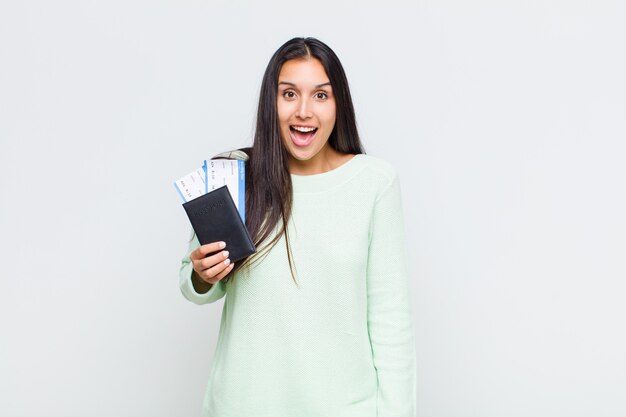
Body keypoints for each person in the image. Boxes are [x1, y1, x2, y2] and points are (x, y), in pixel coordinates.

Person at [179, 37, 416, 417]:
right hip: (243, 405)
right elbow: (193, 285)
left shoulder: (374, 182)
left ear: (339, 105)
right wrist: (203, 274)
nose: (304, 111)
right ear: (270, 103)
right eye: (289, 93)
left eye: (321, 96)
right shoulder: (233, 171)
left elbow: (391, 322)